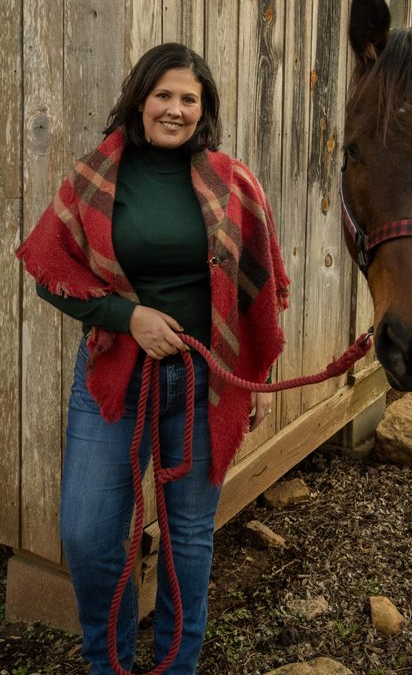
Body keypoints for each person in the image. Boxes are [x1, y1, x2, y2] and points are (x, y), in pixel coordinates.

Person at [17, 43, 289, 675]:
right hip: (117, 381)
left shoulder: (233, 180)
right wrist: (126, 317)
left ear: (204, 108)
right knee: (88, 535)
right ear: (140, 99)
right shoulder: (95, 176)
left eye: (188, 99)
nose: (174, 109)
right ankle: (106, 662)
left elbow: (264, 291)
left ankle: (176, 666)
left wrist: (251, 379)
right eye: (162, 95)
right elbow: (49, 273)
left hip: (203, 384)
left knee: (187, 538)